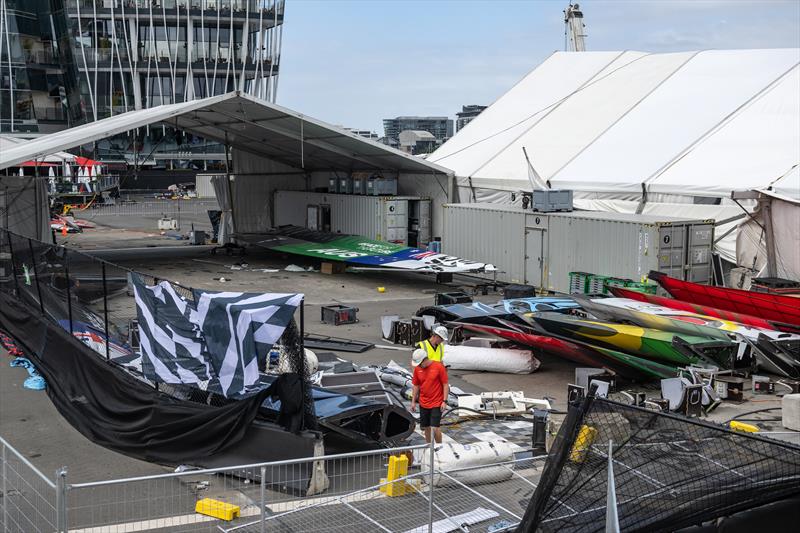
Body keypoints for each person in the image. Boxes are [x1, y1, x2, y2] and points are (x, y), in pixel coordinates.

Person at [410, 348, 449, 444]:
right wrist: (413, 402)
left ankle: (439, 447)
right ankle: (428, 447)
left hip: (437, 402)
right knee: (426, 427)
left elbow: (445, 384)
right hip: (423, 403)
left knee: (435, 428)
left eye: (419, 363)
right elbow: (416, 385)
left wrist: (444, 401)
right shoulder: (418, 369)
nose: (418, 366)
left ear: (424, 360)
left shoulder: (438, 367)